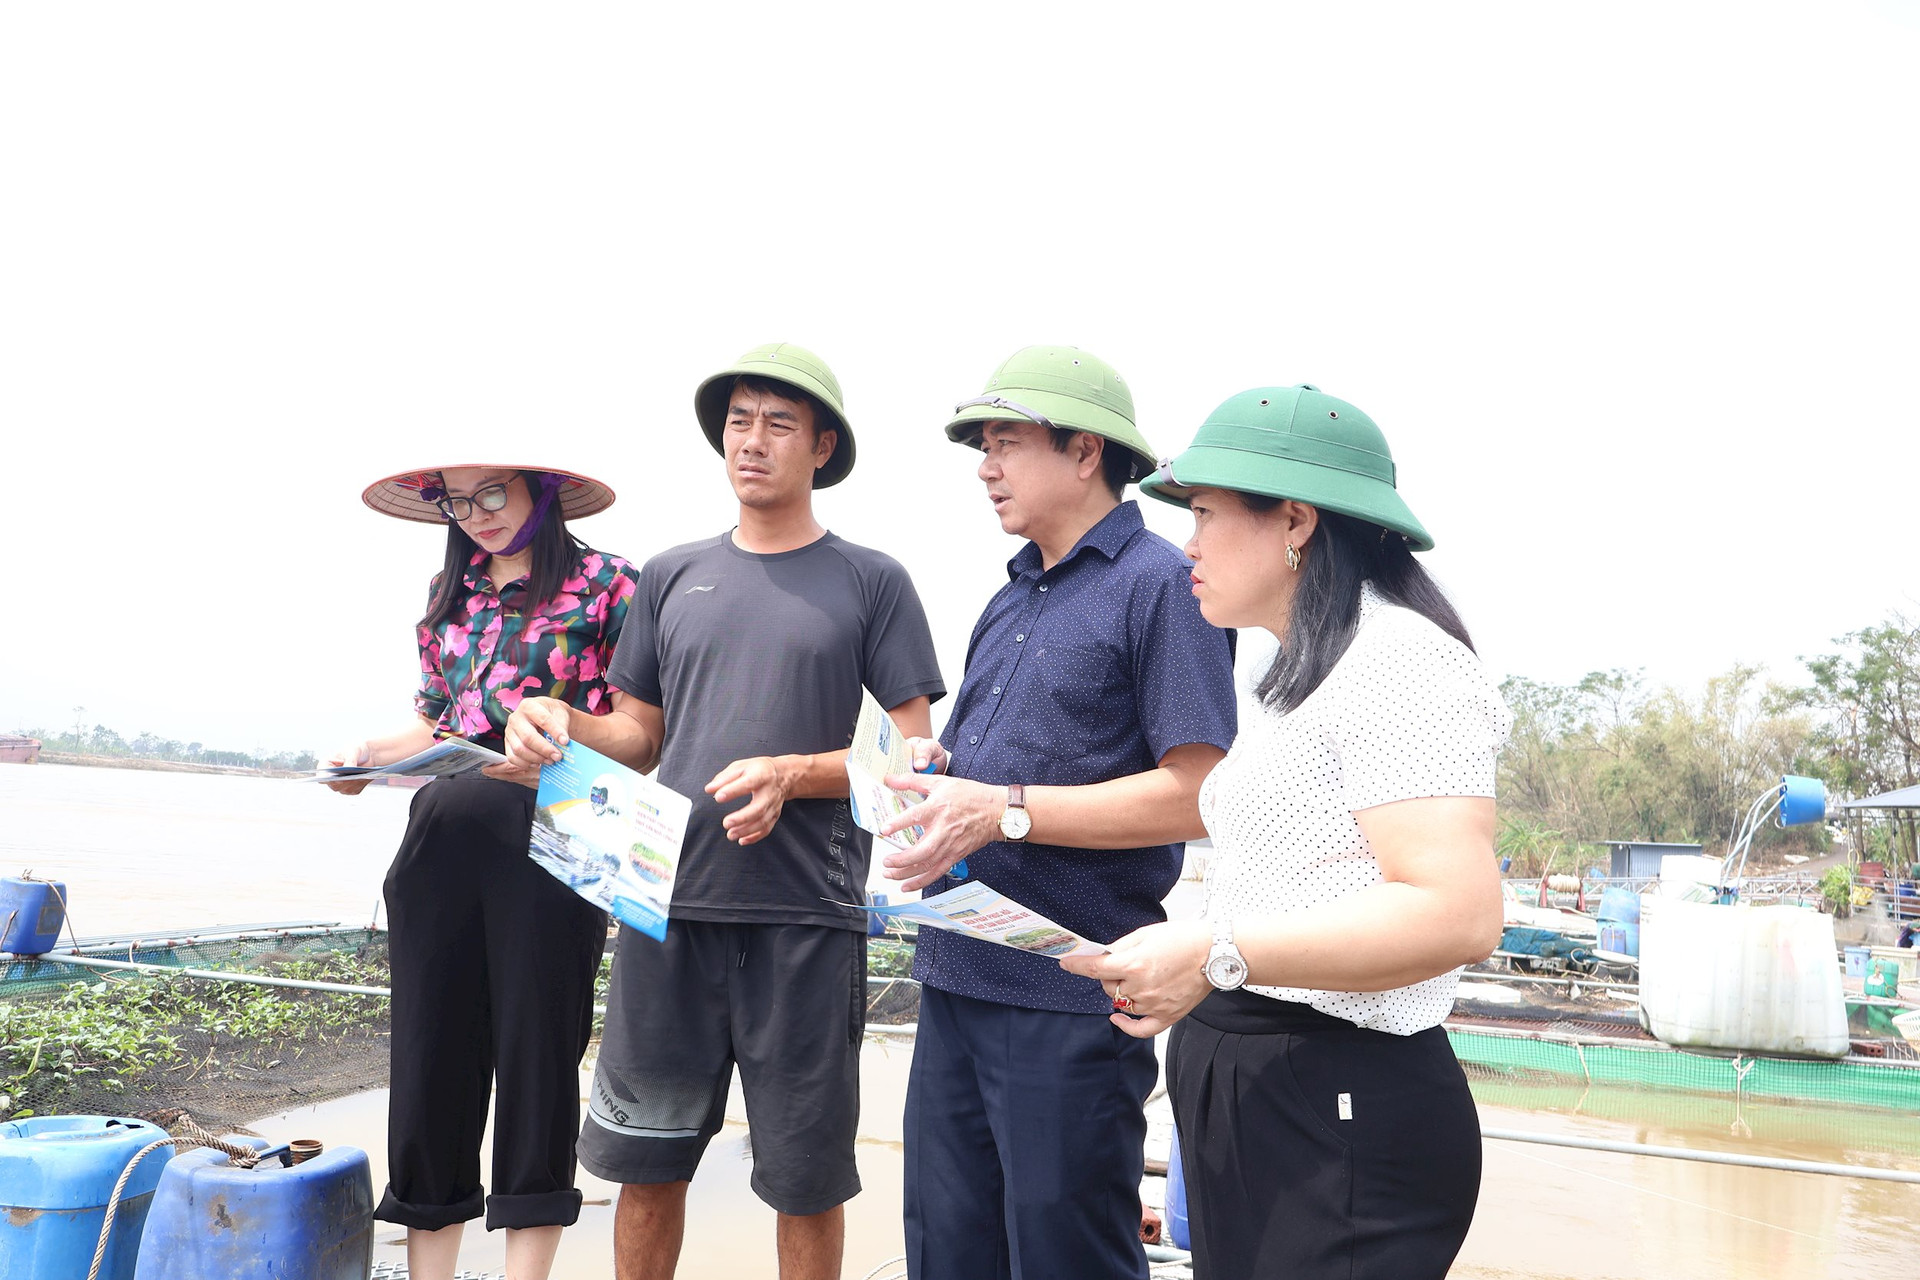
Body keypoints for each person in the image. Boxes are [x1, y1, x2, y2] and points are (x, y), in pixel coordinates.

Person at [501, 344, 944, 1280]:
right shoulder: (670, 575)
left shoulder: (873, 581)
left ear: (822, 446)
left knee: (806, 1181)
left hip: (807, 919)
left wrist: (793, 773)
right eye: (739, 420)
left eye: (779, 424)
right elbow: (637, 737)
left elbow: (909, 756)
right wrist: (555, 718)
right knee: (645, 1167)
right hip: (665, 907)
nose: (753, 441)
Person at [1060, 384, 1512, 1279]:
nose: (1186, 544)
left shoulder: (1402, 662)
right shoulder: (1288, 671)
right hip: (1263, 1090)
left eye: (1206, 514)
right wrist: (1202, 977)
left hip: (1339, 1107)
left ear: (1296, 521)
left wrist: (1212, 956)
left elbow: (1456, 914)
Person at [875, 345, 1238, 1280]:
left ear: (1085, 452)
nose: (986, 467)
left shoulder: (1164, 585)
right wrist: (935, 767)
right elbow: (982, 768)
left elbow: (1196, 795)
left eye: (1005, 442)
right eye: (982, 447)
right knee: (947, 1253)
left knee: (1064, 1257)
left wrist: (1003, 811)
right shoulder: (1009, 597)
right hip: (956, 970)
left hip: (1071, 994)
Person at [336, 463, 637, 1280]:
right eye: (458, 502)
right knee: (430, 1060)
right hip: (440, 845)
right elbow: (433, 719)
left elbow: (644, 732)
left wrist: (563, 725)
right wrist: (365, 757)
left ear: (539, 489)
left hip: (556, 842)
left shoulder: (610, 587)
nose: (477, 517)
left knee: (540, 1059)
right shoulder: (449, 592)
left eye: (492, 495)